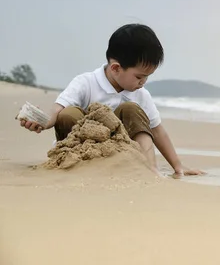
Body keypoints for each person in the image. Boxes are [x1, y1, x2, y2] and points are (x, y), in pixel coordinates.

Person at [19, 23, 204, 178]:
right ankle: (75, 165)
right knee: (69, 113)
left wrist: (178, 166)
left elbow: (158, 131)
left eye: (148, 77)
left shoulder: (141, 95)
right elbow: (57, 110)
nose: (143, 82)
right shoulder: (86, 83)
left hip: (122, 156)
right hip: (83, 153)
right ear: (116, 68)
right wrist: (42, 122)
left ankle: (149, 169)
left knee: (132, 109)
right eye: (139, 77)